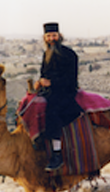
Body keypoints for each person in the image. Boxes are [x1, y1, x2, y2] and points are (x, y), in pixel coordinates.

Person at [34, 22, 83, 171]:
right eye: (48, 36)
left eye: (54, 35)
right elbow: (44, 74)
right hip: (49, 91)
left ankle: (57, 154)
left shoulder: (69, 54)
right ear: (45, 38)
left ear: (59, 36)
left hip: (65, 92)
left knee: (52, 111)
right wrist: (40, 83)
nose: (51, 38)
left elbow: (71, 80)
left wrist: (51, 83)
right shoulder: (46, 54)